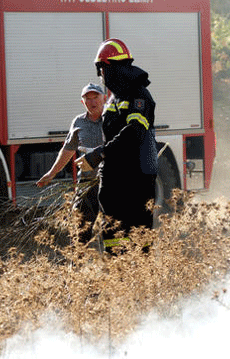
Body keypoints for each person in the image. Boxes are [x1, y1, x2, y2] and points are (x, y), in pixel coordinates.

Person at [77, 38, 158, 250]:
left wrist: (100, 154)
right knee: (113, 239)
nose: (102, 77)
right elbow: (109, 135)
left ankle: (139, 280)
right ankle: (119, 277)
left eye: (102, 70)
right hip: (114, 182)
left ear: (111, 68)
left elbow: (135, 133)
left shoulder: (139, 96)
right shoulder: (113, 99)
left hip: (136, 180)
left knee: (138, 242)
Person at [36, 83, 106, 244]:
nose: (92, 102)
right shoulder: (78, 122)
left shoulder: (111, 118)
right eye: (87, 99)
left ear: (104, 98)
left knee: (112, 227)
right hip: (87, 183)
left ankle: (115, 262)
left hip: (110, 181)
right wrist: (51, 173)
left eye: (95, 97)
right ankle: (77, 264)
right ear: (83, 102)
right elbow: (68, 150)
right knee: (79, 227)